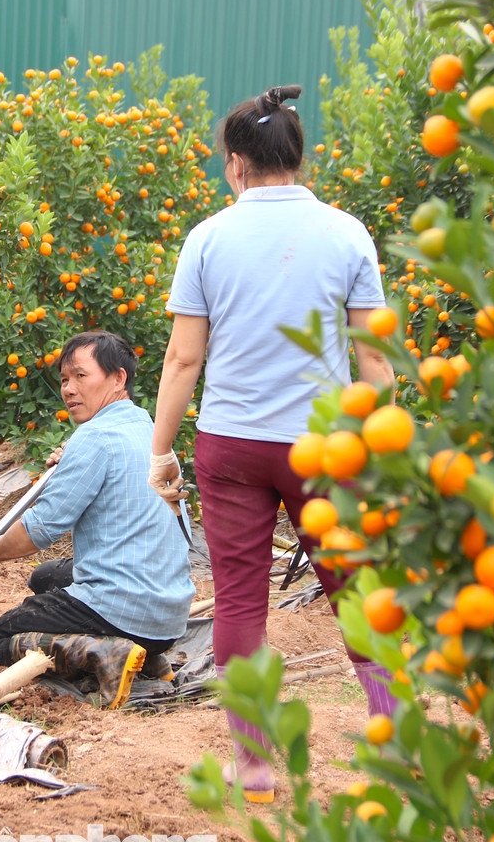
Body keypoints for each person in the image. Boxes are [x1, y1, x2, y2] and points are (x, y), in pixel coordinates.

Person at [147, 84, 396, 801]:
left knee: (239, 600)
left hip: (231, 446)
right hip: (324, 447)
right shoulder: (347, 232)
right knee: (358, 591)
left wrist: (160, 449)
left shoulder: (208, 237)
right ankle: (394, 738)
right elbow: (373, 360)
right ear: (298, 156)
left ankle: (254, 764)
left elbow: (183, 360)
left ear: (236, 164)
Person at [0, 330, 194, 709]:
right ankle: (149, 657)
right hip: (167, 615)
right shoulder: (151, 430)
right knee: (46, 578)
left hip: (123, 609)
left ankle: (104, 653)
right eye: (64, 380)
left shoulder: (95, 437)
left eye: (80, 376)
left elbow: (41, 528)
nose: (69, 389)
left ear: (118, 378)